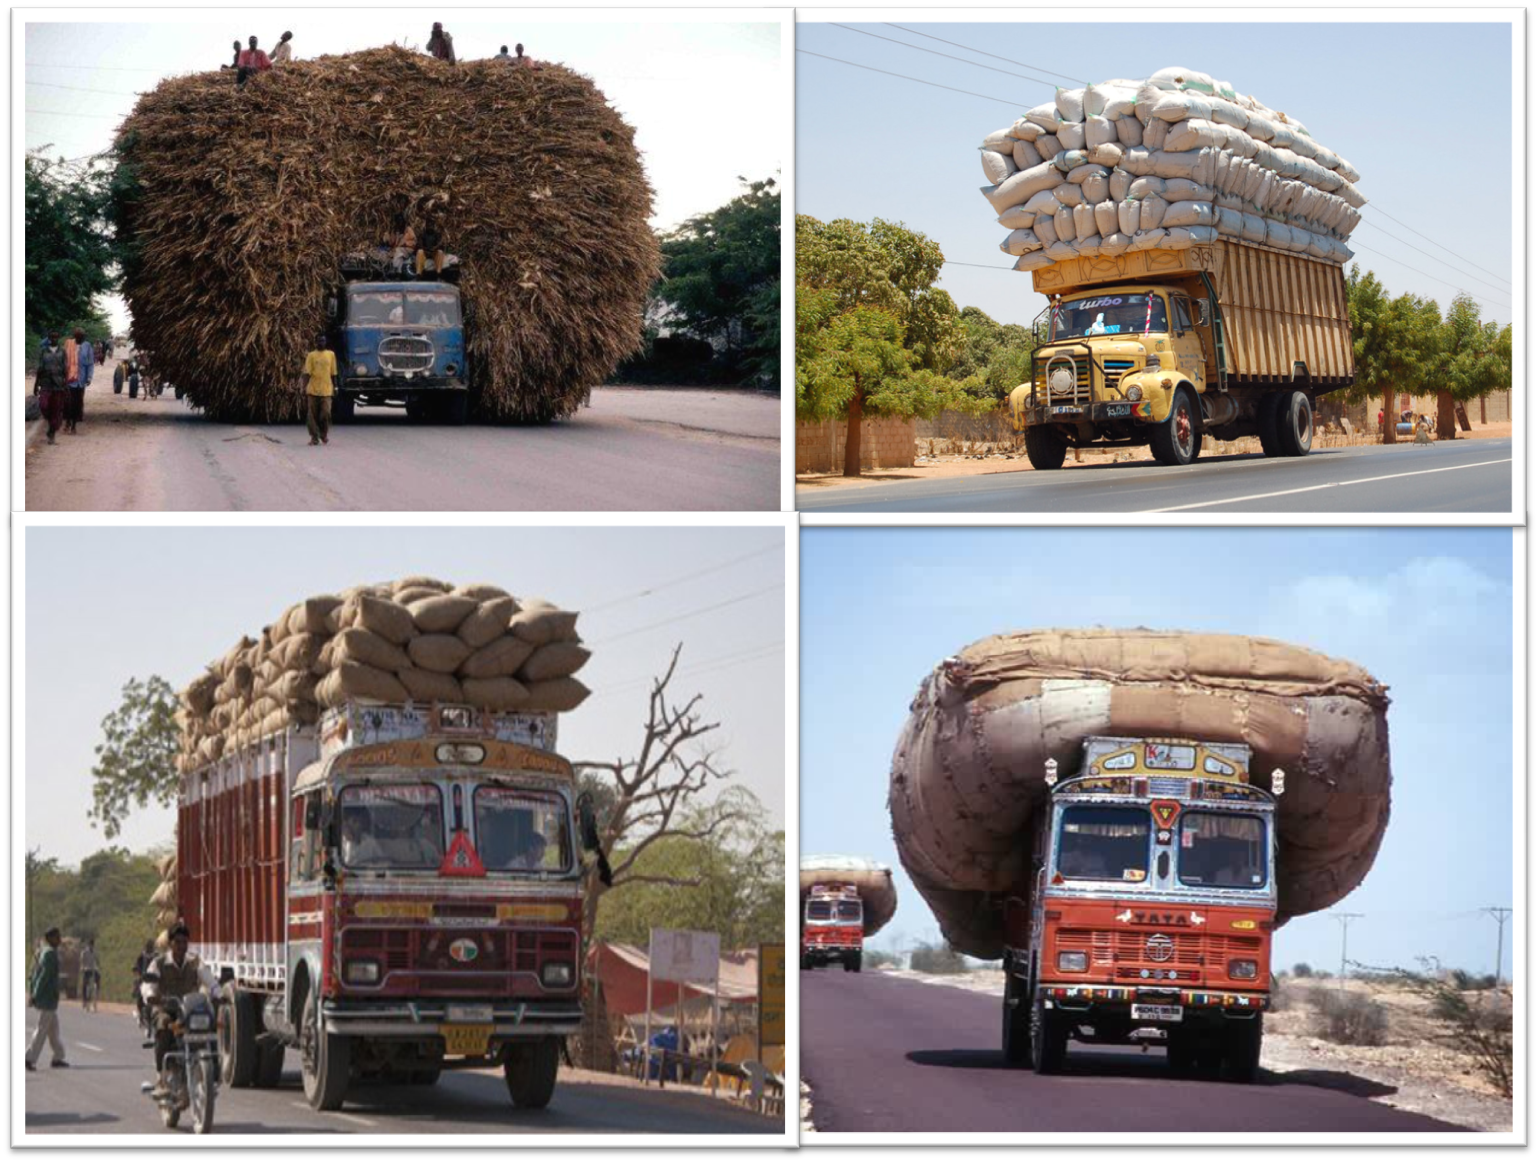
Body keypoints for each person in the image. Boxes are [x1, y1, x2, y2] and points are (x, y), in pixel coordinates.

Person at [143, 923, 219, 1096]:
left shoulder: (194, 962)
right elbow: (148, 985)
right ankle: (161, 1077)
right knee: (163, 1025)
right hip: (166, 1008)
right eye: (178, 942)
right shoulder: (159, 963)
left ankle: (212, 1075)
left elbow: (208, 978)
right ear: (170, 944)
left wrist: (218, 993)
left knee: (210, 1024)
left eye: (185, 942)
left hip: (188, 1010)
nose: (182, 946)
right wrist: (150, 995)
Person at [26, 927, 69, 1070]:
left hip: (49, 999)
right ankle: (28, 1058)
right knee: (42, 1029)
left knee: (53, 1030)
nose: (60, 939)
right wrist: (35, 995)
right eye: (57, 937)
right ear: (50, 938)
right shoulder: (50, 954)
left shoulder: (45, 951)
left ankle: (58, 1056)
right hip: (47, 999)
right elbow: (43, 977)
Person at [300, 334, 337, 446]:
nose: (321, 343)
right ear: (315, 342)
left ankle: (324, 434)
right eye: (319, 341)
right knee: (312, 415)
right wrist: (303, 387)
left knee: (325, 413)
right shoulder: (311, 356)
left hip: (326, 389)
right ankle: (314, 437)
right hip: (313, 389)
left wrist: (336, 387)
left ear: (326, 342)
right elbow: (307, 373)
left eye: (323, 341)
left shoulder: (331, 355)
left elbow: (334, 373)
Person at [33, 331, 69, 444]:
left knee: (56, 410)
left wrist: (66, 384)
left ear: (58, 338)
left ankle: (51, 433)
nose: (54, 339)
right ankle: (50, 423)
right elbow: (39, 368)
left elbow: (65, 369)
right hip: (45, 383)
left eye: (56, 337)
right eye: (52, 337)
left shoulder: (62, 351)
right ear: (49, 338)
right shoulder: (44, 351)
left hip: (58, 385)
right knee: (44, 406)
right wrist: (35, 384)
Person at [66, 327, 94, 432]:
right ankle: (68, 421)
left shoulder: (87, 346)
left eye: (82, 336)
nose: (81, 338)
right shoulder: (68, 344)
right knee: (69, 402)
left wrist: (89, 377)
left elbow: (90, 363)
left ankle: (73, 425)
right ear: (75, 336)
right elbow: (63, 361)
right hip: (69, 379)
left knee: (77, 402)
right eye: (79, 336)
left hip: (81, 380)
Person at [80, 940, 100, 1010]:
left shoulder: (95, 952)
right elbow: (82, 961)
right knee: (85, 984)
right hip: (87, 969)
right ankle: (84, 1000)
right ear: (88, 945)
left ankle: (97, 990)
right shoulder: (84, 952)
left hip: (93, 969)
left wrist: (98, 967)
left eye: (92, 945)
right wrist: (82, 967)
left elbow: (97, 961)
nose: (91, 946)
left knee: (98, 977)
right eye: (90, 945)